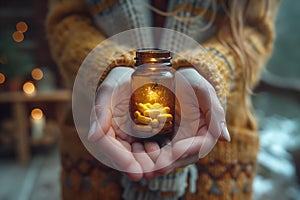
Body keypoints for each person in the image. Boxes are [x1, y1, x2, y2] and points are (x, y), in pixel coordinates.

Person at [46, 0, 280, 199]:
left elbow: (255, 31)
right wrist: (105, 66)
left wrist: (210, 69)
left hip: (216, 166)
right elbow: (66, 22)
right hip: (96, 161)